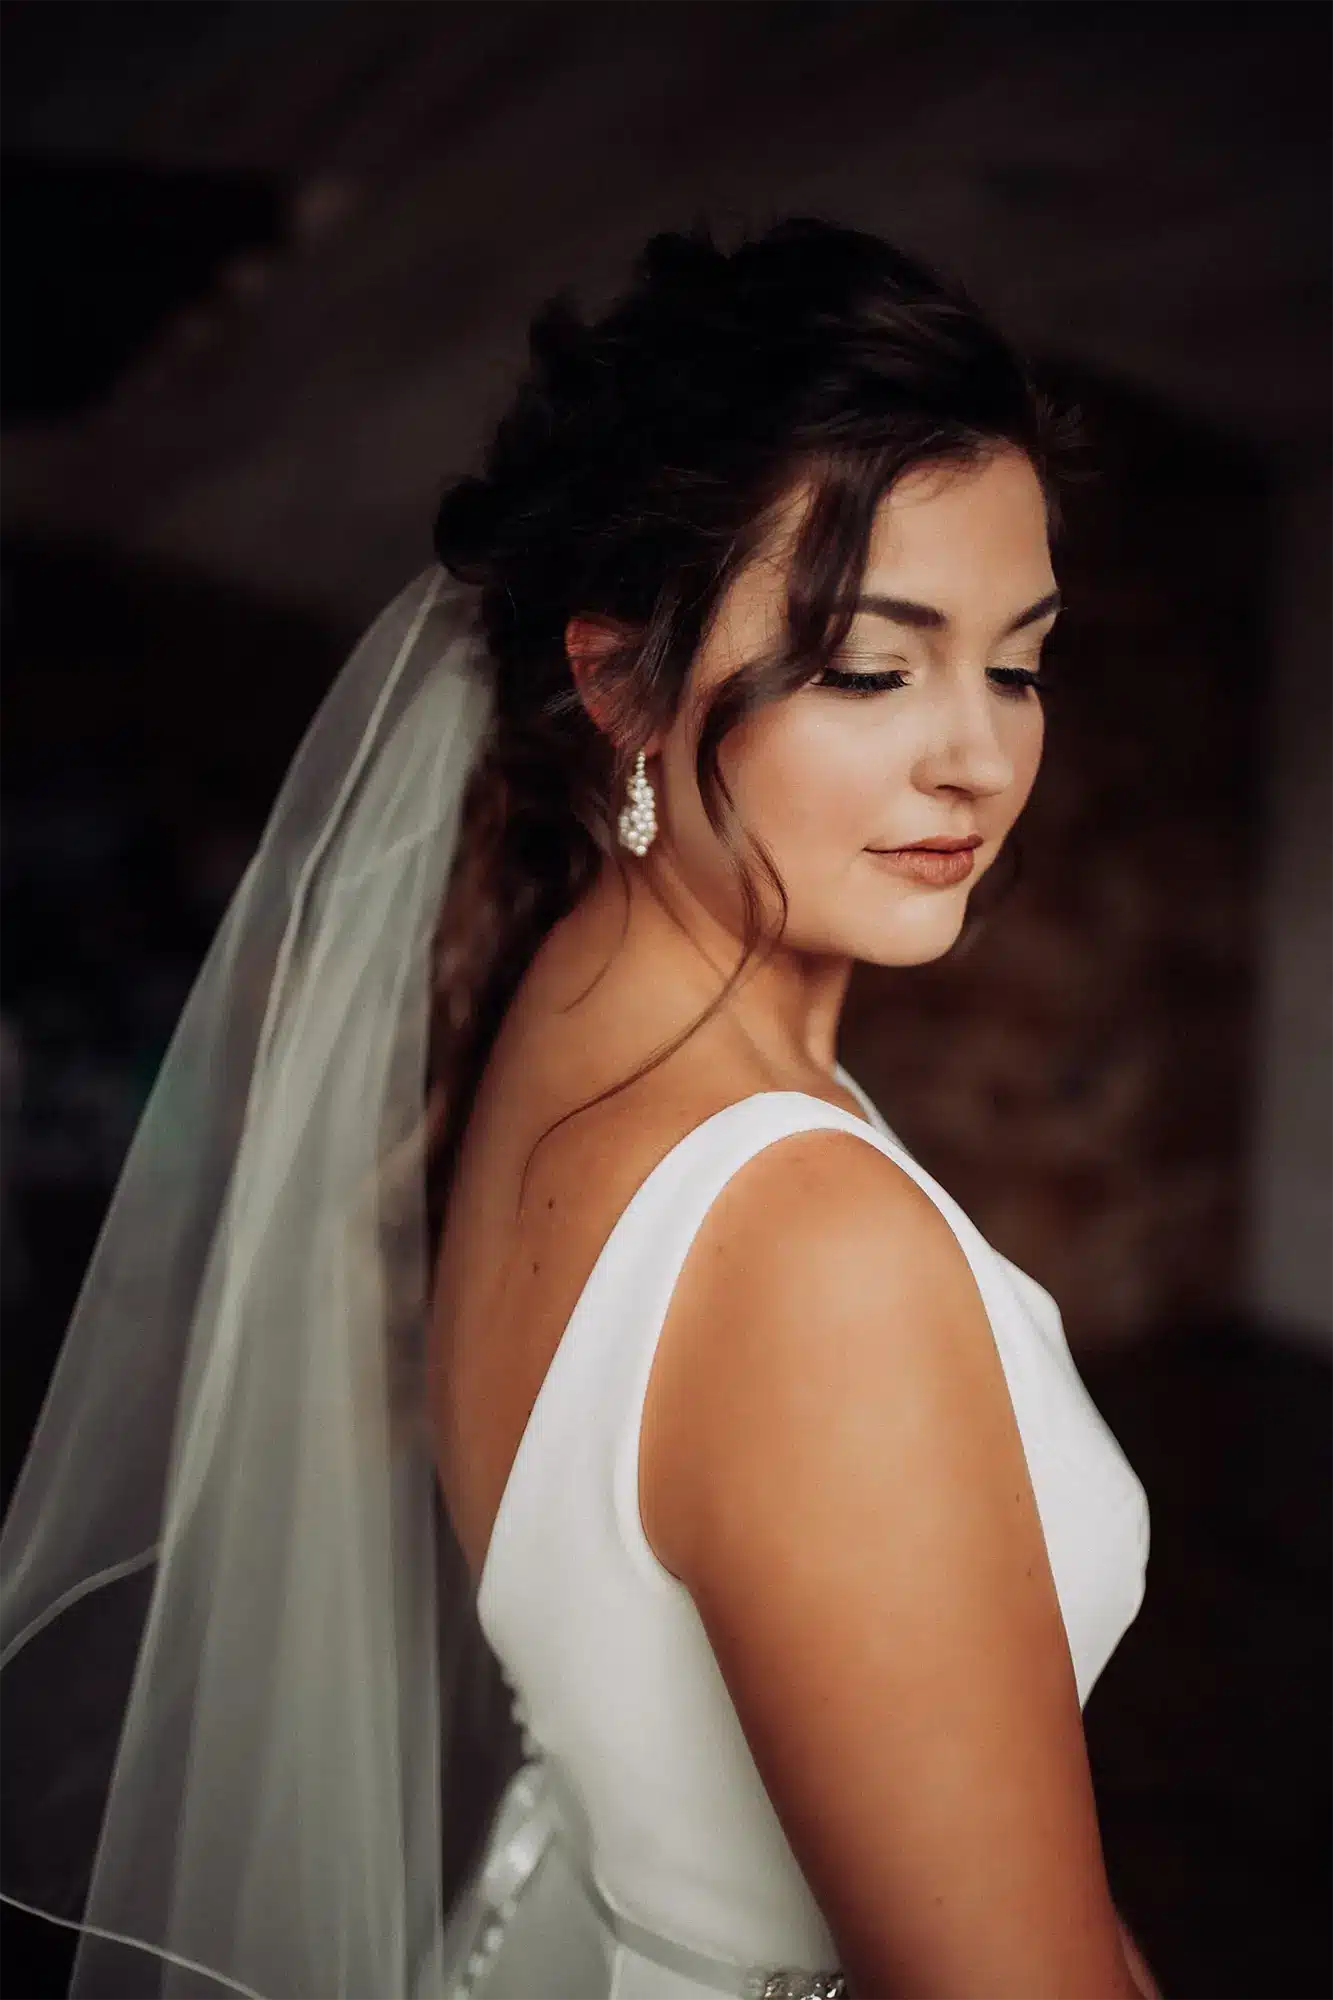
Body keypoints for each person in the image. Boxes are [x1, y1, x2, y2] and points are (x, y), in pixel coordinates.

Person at [0, 216, 1160, 2000]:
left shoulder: (556, 1011)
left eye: (1015, 660)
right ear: (620, 678)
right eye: (872, 664)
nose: (979, 756)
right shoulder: (811, 1259)